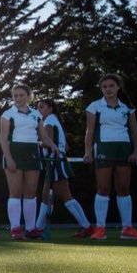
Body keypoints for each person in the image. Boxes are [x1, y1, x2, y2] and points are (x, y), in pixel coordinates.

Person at [83, 74, 137, 240]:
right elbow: (89, 131)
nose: (108, 89)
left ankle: (127, 228)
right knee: (103, 188)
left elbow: (135, 132)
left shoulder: (127, 108)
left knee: (123, 188)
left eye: (111, 86)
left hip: (124, 149)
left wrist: (136, 152)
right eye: (104, 87)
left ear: (118, 87)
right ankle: (100, 228)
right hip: (103, 148)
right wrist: (88, 152)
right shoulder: (94, 106)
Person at [32, 98, 94, 238]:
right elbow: (64, 146)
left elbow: (48, 142)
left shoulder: (49, 122)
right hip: (54, 161)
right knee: (46, 196)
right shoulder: (53, 121)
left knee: (65, 196)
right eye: (38, 107)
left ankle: (86, 226)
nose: (38, 110)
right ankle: (38, 228)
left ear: (50, 108)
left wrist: (32, 143)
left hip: (56, 161)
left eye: (41, 107)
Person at [0, 84, 43, 240]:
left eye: (21, 95)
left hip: (32, 154)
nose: (18, 98)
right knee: (15, 192)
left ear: (29, 96)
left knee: (31, 193)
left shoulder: (37, 114)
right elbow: (3, 139)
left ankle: (30, 228)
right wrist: (9, 159)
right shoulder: (7, 114)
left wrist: (54, 146)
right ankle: (15, 228)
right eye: (15, 96)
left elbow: (43, 137)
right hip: (14, 154)